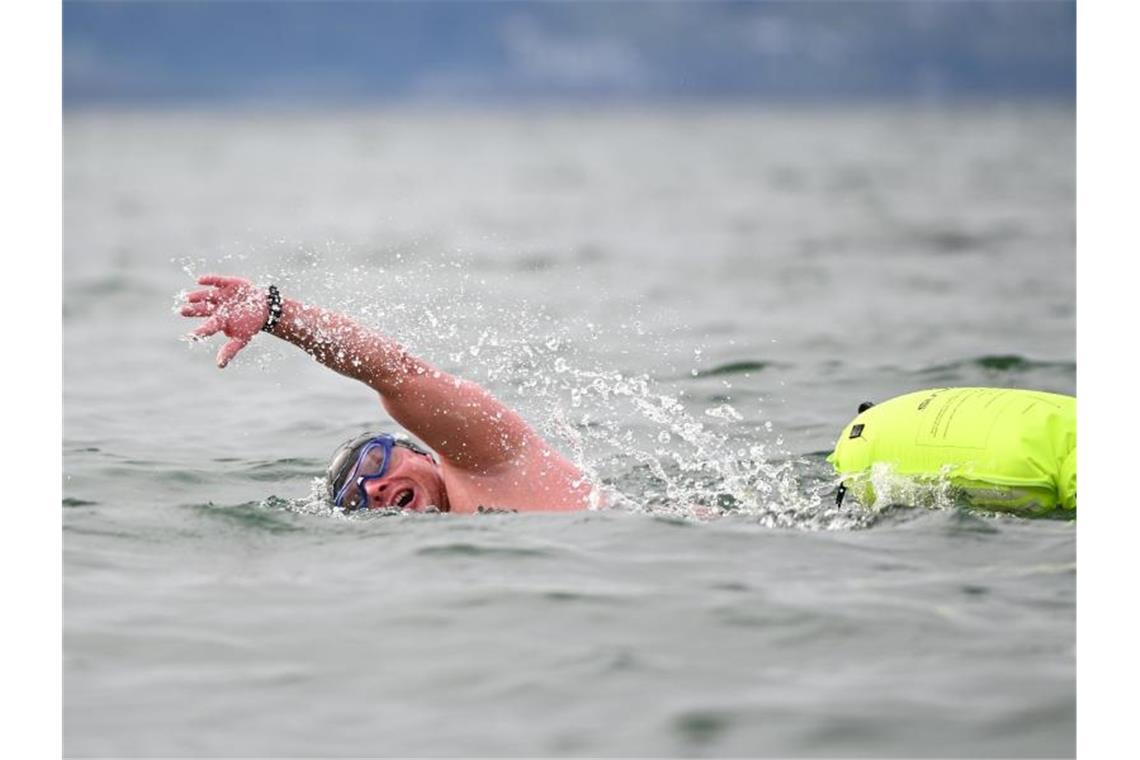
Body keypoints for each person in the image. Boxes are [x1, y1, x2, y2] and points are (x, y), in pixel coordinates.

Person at [180, 275, 592, 514]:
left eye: (376, 461)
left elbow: (393, 373)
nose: (374, 488)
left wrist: (277, 314)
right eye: (357, 496)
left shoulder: (484, 460)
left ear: (422, 451)